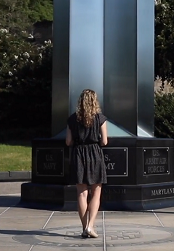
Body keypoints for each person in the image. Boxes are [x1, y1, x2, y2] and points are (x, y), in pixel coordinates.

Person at [66, 89, 108, 238]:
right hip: (95, 153)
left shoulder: (72, 119)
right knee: (96, 192)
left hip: (78, 154)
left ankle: (85, 227)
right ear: (95, 101)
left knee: (81, 194)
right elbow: (104, 141)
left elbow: (68, 141)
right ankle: (91, 226)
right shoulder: (100, 118)